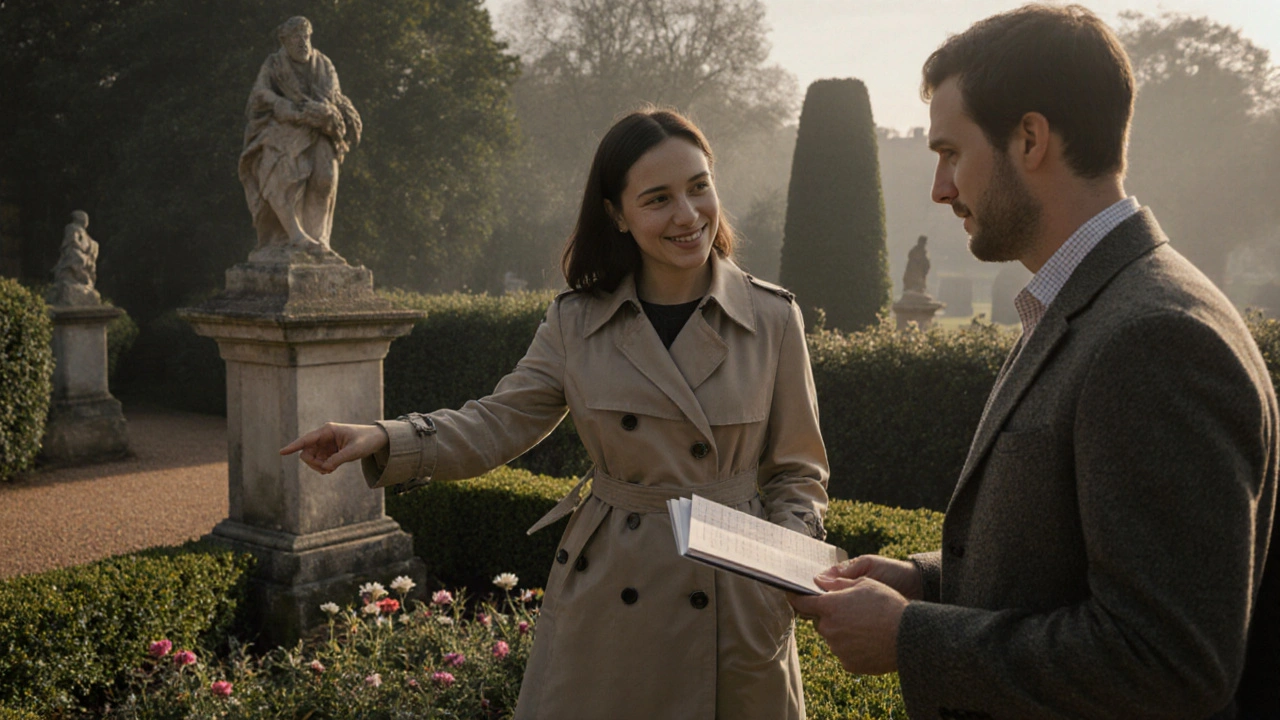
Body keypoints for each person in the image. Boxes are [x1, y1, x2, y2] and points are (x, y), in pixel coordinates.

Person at [789, 5, 1279, 720]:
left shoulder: (1156, 337)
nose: (940, 188)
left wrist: (910, 638)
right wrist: (928, 583)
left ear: (1029, 139)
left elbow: (1166, 664)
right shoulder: (1091, 301)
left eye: (952, 153)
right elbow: (1064, 565)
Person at [282, 109, 830, 719]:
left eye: (699, 186)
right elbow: (497, 423)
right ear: (618, 215)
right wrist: (387, 437)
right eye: (657, 199)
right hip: (610, 593)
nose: (688, 214)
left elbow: (798, 474)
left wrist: (784, 569)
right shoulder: (577, 321)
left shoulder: (773, 318)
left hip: (734, 597)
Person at [238, 16, 361, 259]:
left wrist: (320, 114)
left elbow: (332, 96)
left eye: (306, 36)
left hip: (318, 129)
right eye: (296, 37)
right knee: (278, 166)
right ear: (284, 40)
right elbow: (258, 95)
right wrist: (279, 103)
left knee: (325, 176)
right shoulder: (274, 64)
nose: (303, 42)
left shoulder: (324, 64)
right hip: (283, 128)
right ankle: (294, 236)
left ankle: (318, 239)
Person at [48, 210, 101, 306]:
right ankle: (78, 276)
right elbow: (73, 240)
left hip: (83, 252)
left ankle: (84, 279)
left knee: (88, 260)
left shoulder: (85, 233)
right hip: (73, 251)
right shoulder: (72, 227)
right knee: (79, 258)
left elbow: (89, 242)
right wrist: (81, 247)